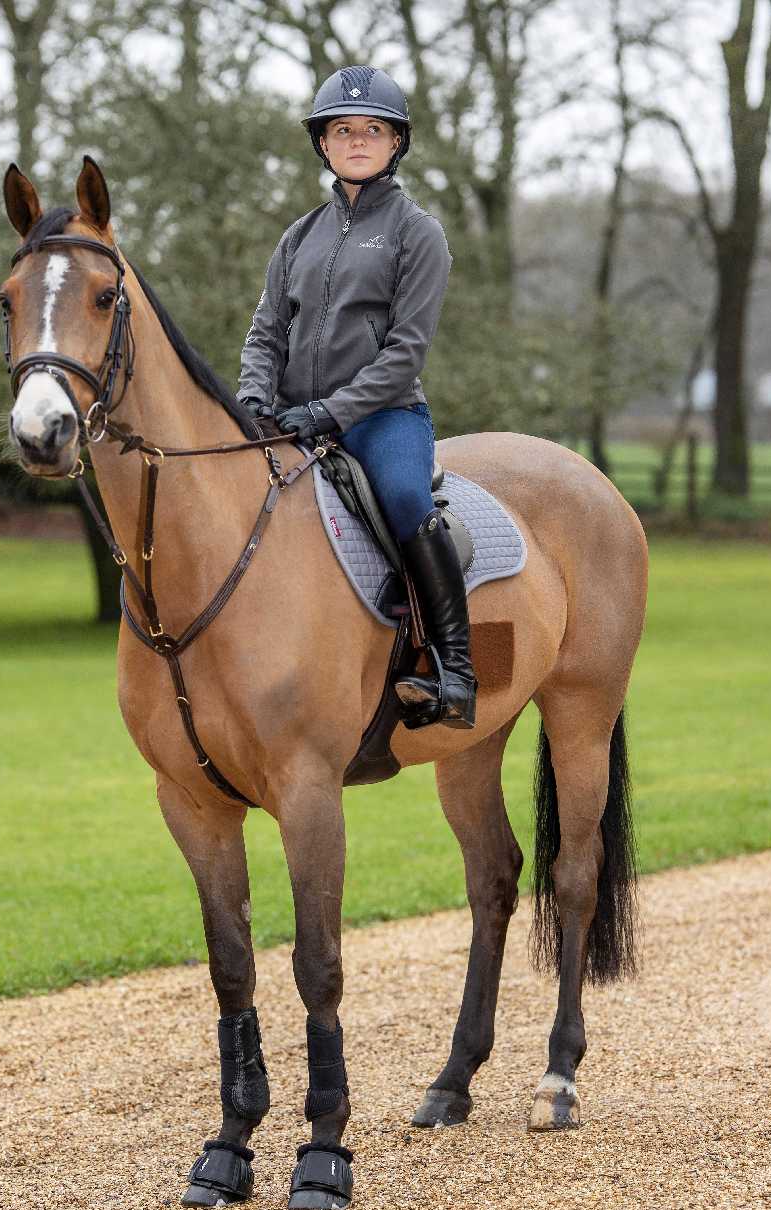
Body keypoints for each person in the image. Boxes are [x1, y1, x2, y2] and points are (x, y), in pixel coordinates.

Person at [237, 66, 476, 729]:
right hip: (289, 419)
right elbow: (264, 334)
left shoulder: (417, 233)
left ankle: (454, 670)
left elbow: (405, 352)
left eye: (373, 129)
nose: (357, 140)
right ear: (323, 144)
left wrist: (331, 411)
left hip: (380, 417)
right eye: (342, 130)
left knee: (405, 498)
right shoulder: (298, 237)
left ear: (397, 142)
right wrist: (254, 402)